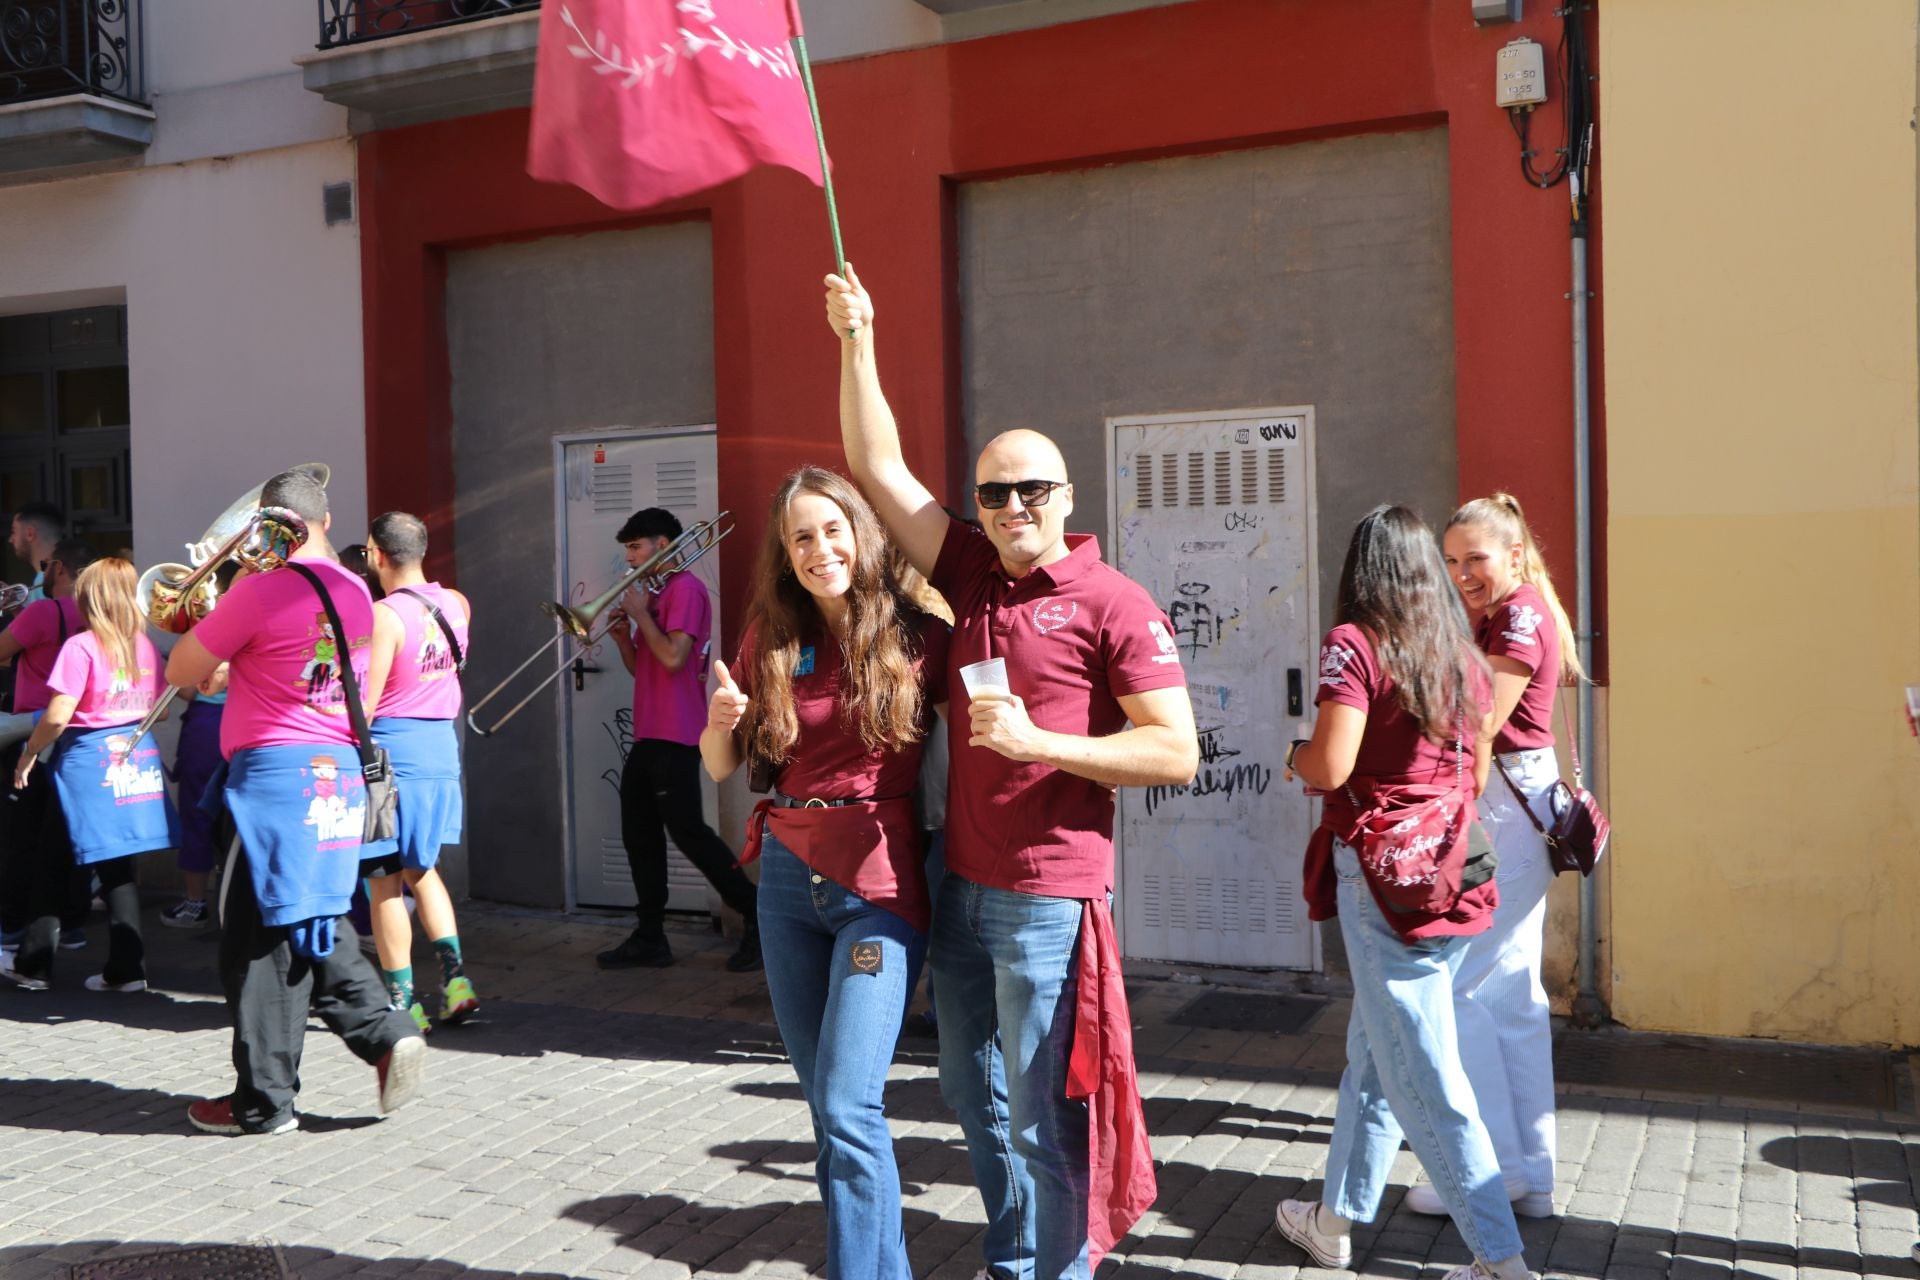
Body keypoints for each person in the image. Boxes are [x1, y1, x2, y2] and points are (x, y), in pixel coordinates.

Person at [827, 266, 1198, 1280]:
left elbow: (1175, 747)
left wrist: (1045, 746)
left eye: (1032, 486)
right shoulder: (969, 569)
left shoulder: (1114, 601)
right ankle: (1014, 1247)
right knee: (967, 1086)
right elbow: (878, 465)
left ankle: (1060, 1268)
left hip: (1049, 898)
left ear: (1066, 497)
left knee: (1046, 1112)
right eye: (994, 489)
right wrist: (859, 336)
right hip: (963, 883)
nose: (1011, 503)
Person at [1272, 505, 1539, 1280]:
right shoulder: (1460, 652)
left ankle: (1499, 1260)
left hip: (1385, 880)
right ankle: (1332, 1223)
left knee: (1424, 1072)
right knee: (1377, 1053)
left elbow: (1330, 763)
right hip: (1454, 868)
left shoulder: (1354, 644)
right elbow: (1476, 768)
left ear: (1361, 570)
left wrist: (1293, 752)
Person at [700, 466, 947, 1280]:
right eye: (800, 536)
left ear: (860, 535)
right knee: (830, 1112)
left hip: (877, 881)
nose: (818, 548)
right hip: (784, 879)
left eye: (831, 529)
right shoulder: (769, 636)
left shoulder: (918, 633)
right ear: (784, 552)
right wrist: (718, 725)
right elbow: (721, 768)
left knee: (848, 1105)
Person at [165, 468, 425, 1136]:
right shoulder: (357, 592)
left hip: (273, 785)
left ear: (266, 527)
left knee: (255, 939)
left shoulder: (261, 592)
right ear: (329, 523)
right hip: (335, 775)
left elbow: (180, 670)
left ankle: (264, 1103)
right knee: (309, 919)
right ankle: (382, 1032)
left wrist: (220, 609)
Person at [1391, 492, 1584, 1219]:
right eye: (1452, 560)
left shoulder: (1517, 615)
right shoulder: (1520, 609)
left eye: (1476, 558)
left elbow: (1478, 726)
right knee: (1511, 994)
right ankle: (1531, 1175)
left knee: (1463, 986)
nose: (1463, 572)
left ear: (1513, 553)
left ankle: (1493, 1170)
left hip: (1503, 806)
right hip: (1521, 800)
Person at [595, 506, 760, 974]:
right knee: (639, 834)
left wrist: (640, 615)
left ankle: (756, 917)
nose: (629, 558)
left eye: (635, 547)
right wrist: (623, 638)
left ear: (661, 546)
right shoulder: (657, 593)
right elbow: (645, 666)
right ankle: (650, 936)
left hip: (678, 732)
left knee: (690, 833)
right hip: (650, 732)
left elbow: (673, 658)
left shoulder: (684, 589)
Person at [7, 558, 178, 991]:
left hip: (84, 762)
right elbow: (163, 711)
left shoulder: (81, 646)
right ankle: (127, 969)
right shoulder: (142, 644)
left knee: (51, 859)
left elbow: (58, 714)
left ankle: (33, 965)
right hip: (132, 756)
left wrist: (30, 751)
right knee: (118, 865)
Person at [363, 511, 479, 1030]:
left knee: (384, 881)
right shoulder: (456, 603)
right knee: (424, 868)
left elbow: (366, 704)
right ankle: (456, 982)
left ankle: (402, 1003)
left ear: (377, 555)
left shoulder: (383, 616)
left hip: (393, 754)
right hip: (439, 749)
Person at [0, 538, 95, 970]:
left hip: (36, 731)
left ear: (59, 568)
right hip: (79, 735)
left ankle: (13, 929)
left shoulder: (44, 610)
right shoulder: (97, 614)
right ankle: (71, 926)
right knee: (66, 835)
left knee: (22, 837)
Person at [164, 563, 240, 930]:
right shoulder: (255, 620)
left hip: (208, 728)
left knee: (197, 813)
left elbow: (188, 688)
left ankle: (195, 903)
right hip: (248, 726)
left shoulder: (209, 628)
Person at [9, 502, 64, 602]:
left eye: (14, 531)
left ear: (30, 534)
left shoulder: (46, 581)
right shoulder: (63, 574)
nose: (11, 540)